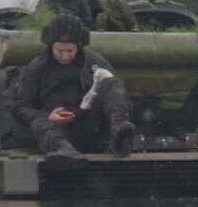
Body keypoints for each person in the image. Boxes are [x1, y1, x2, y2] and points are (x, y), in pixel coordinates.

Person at [8, 15, 139, 165]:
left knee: (111, 84)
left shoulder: (94, 62)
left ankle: (119, 128)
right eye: (60, 51)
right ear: (51, 47)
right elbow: (20, 107)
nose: (65, 56)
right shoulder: (37, 68)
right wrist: (48, 116)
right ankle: (63, 149)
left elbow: (116, 90)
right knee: (40, 122)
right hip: (54, 127)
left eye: (70, 51)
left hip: (90, 123)